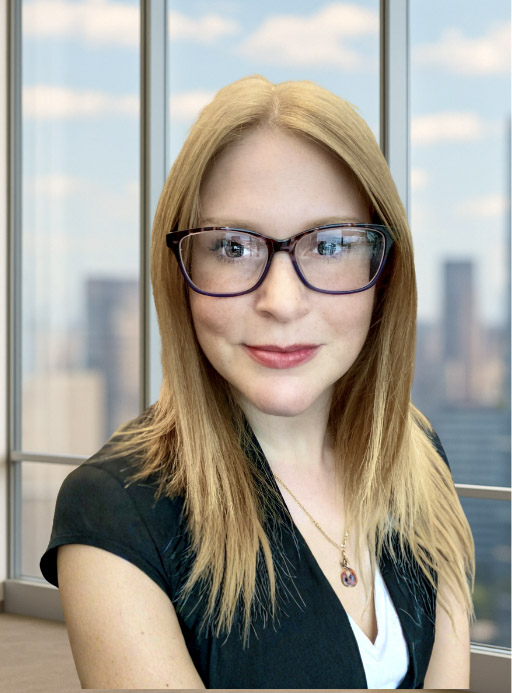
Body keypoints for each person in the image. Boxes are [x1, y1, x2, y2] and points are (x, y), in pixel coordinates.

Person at [40, 75, 475, 689]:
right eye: (232, 247)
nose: (281, 301)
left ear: (385, 269)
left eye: (330, 245)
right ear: (180, 270)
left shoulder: (415, 453)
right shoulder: (116, 515)